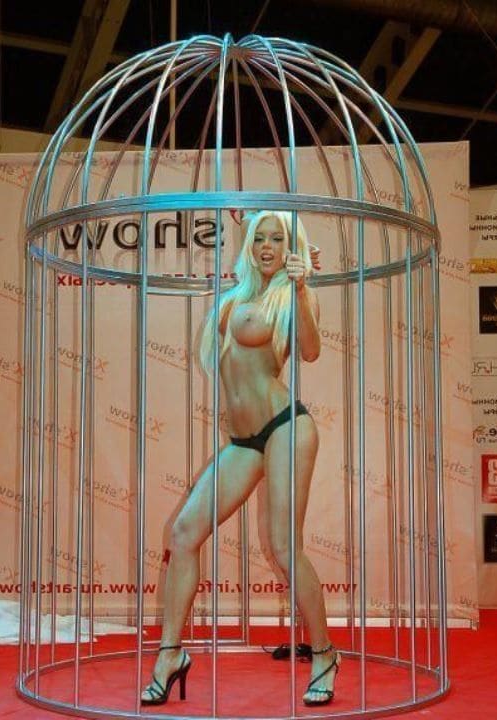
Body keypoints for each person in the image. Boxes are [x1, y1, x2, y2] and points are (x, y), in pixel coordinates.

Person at [141, 210, 341, 707]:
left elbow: (311, 351)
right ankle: (170, 654)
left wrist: (302, 286)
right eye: (260, 238)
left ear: (291, 247)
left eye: (278, 239)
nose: (267, 246)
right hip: (243, 442)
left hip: (285, 428)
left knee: (284, 547)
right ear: (249, 245)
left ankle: (324, 653)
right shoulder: (234, 298)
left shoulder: (292, 296)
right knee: (184, 533)